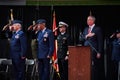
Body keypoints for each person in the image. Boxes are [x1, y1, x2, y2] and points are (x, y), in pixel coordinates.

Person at [83, 16, 104, 80]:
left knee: (93, 67)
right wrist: (87, 35)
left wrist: (99, 52)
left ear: (93, 21)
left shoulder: (97, 29)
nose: (87, 21)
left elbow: (100, 41)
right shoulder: (86, 29)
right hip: (85, 51)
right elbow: (81, 38)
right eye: (87, 20)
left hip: (94, 51)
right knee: (86, 66)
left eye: (89, 20)